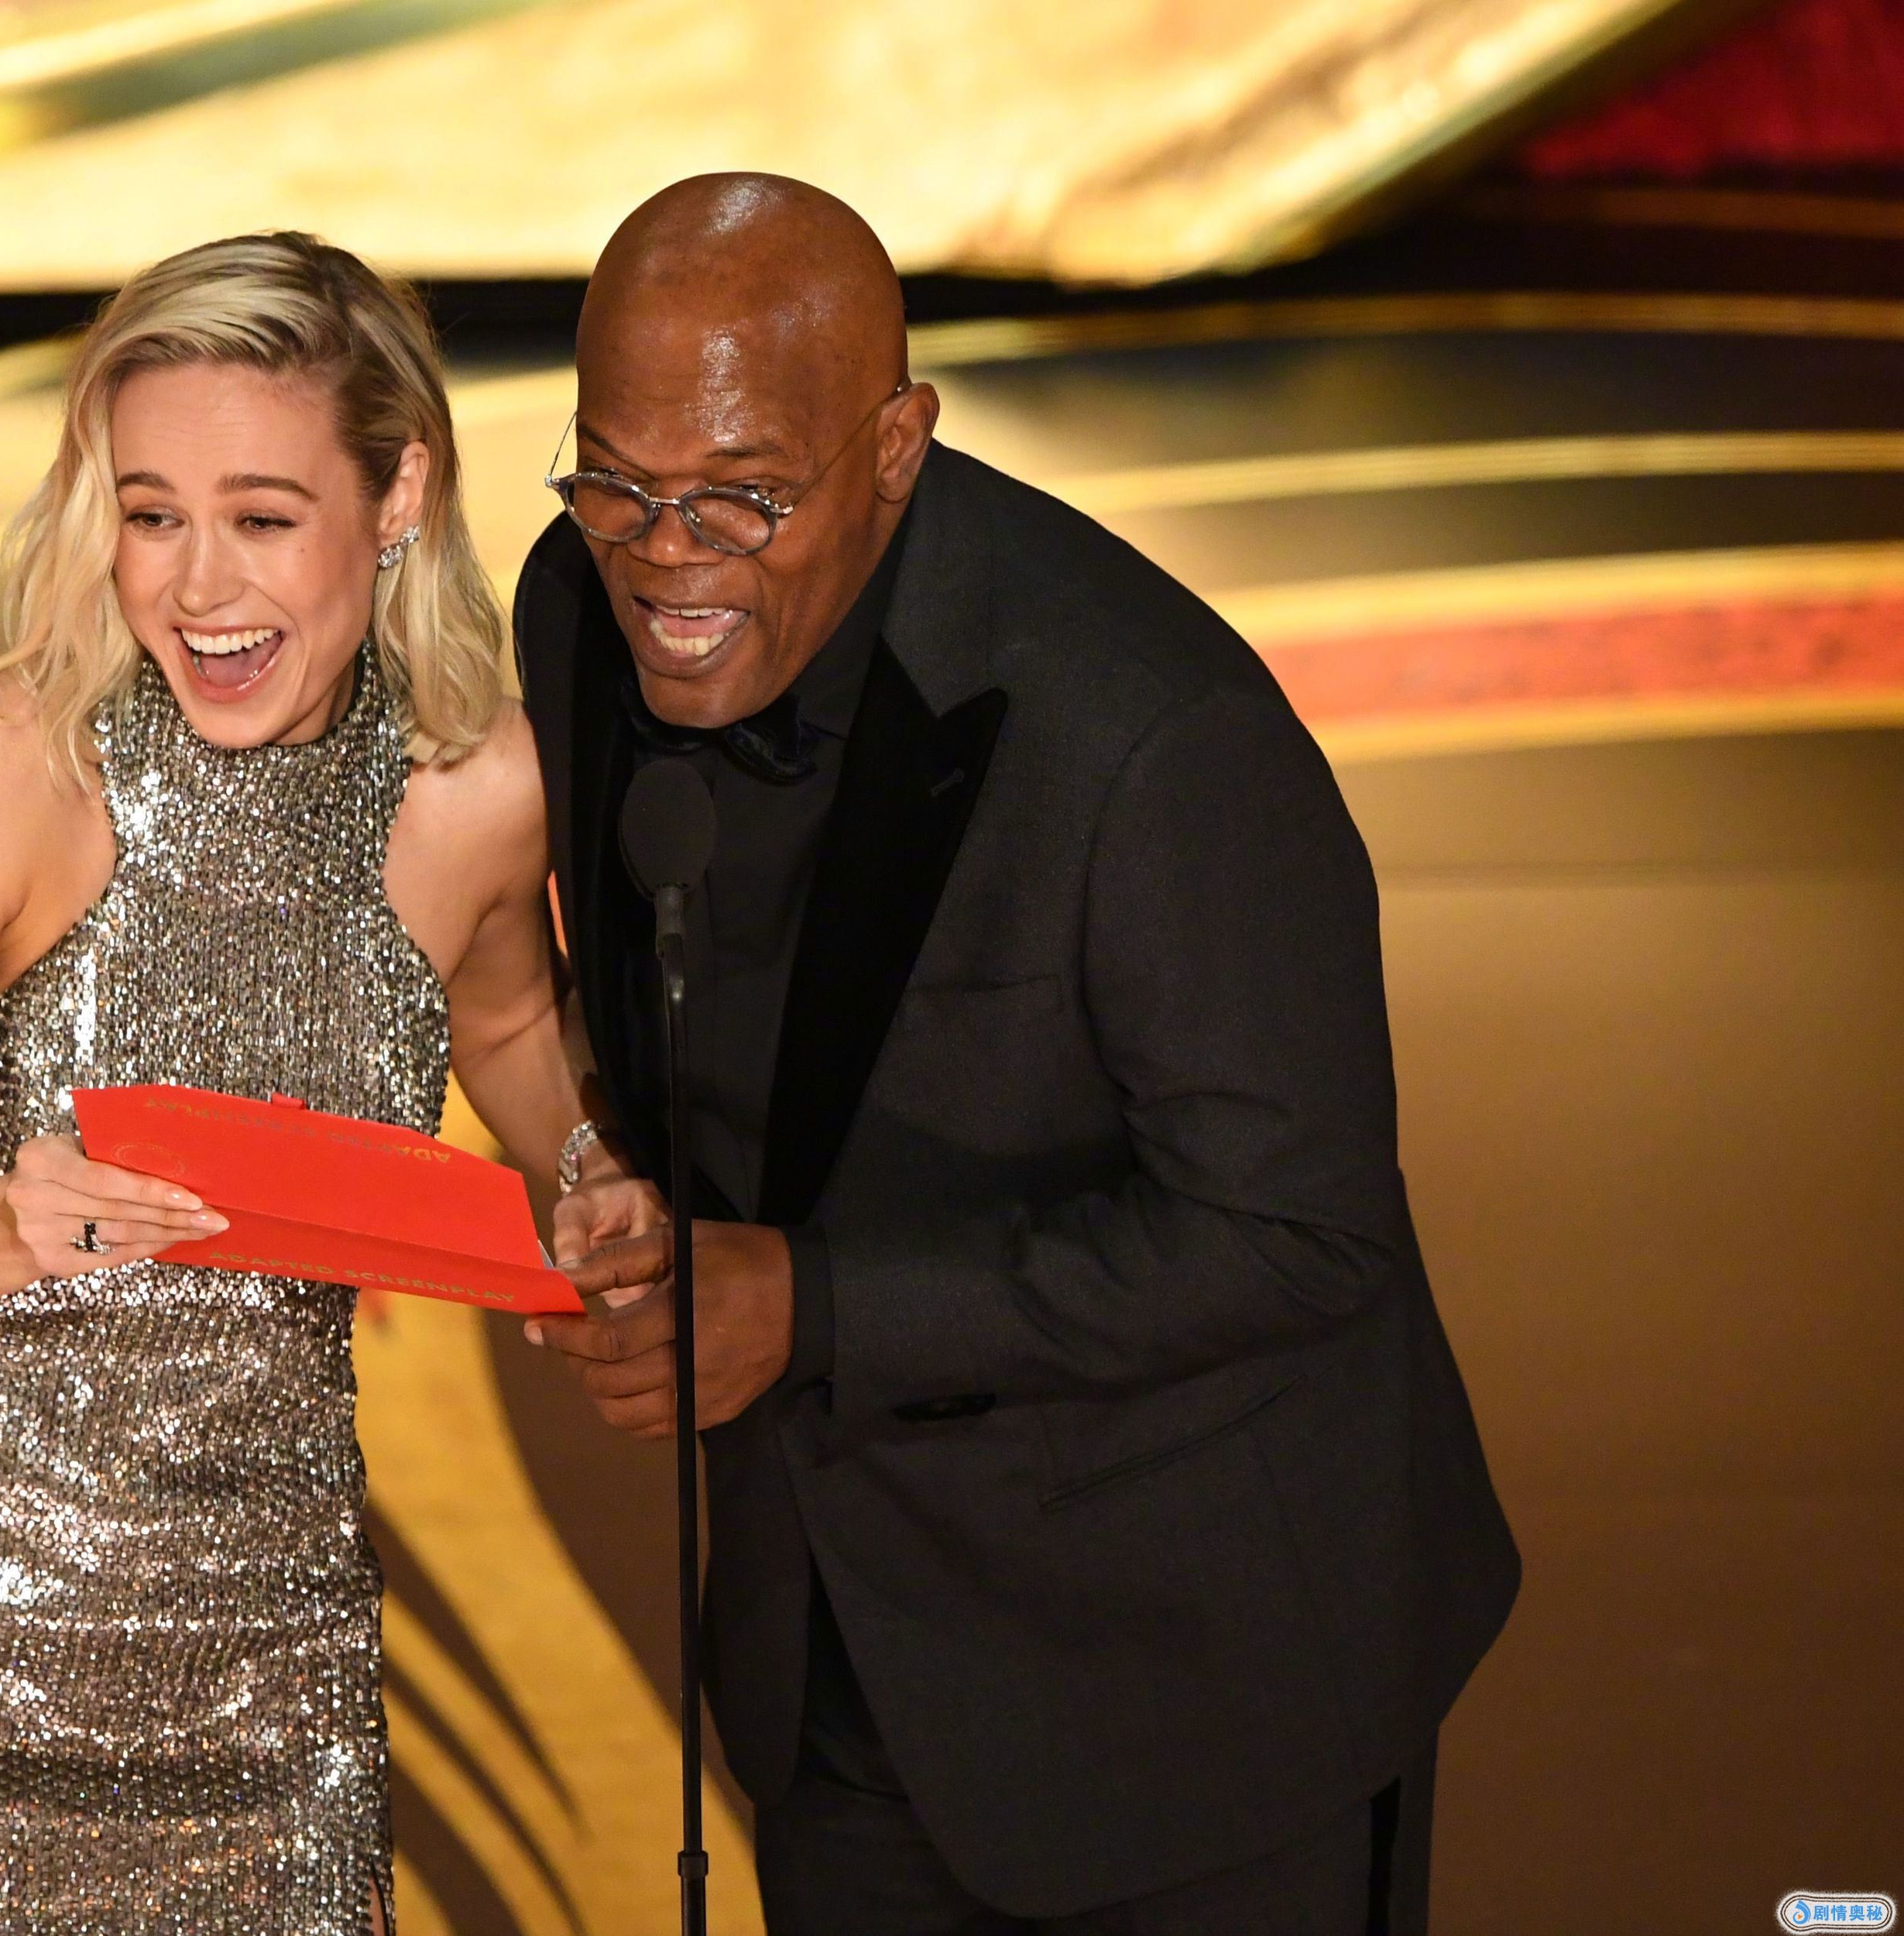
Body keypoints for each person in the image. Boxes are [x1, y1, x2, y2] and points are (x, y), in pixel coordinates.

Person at [522, 175, 1521, 1934]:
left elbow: (1298, 1231)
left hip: (1199, 1697)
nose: (666, 554)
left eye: (742, 494)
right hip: (831, 1677)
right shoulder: (574, 606)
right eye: (615, 479)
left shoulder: (1154, 739)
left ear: (895, 446)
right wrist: (613, 1175)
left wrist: (808, 1307)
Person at [0, 232, 611, 1935]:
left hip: (274, 1680)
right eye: (152, 516)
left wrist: (595, 1174)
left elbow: (510, 1024)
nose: (198, 587)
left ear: (400, 493)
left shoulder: (478, 793)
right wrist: (19, 1222)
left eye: (262, 519)